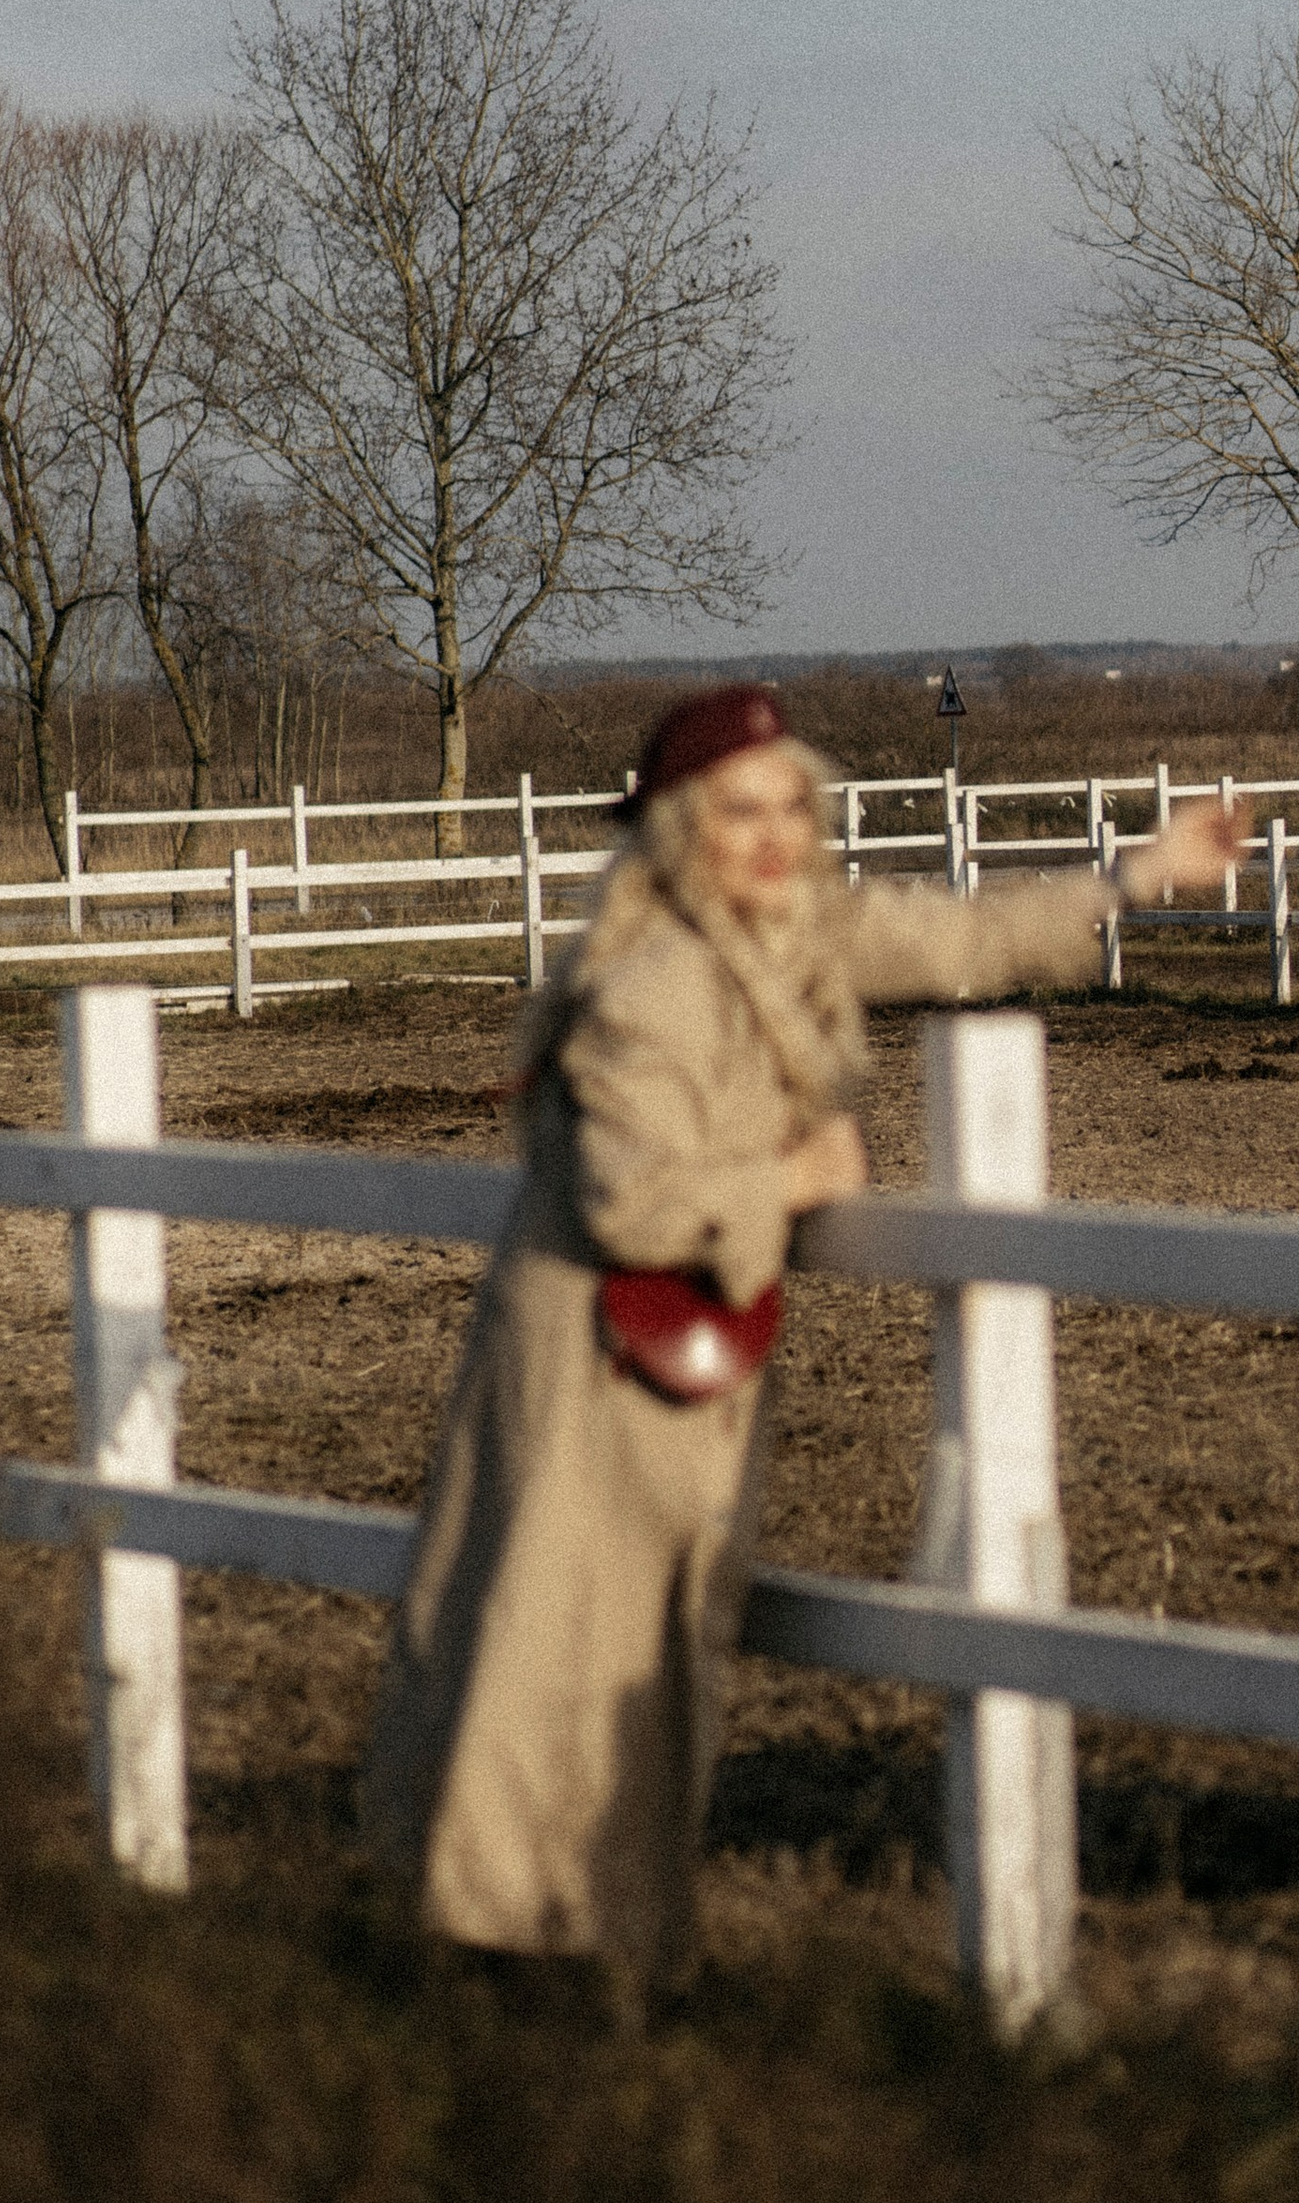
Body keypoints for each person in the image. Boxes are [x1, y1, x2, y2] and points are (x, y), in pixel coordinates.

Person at [363, 681, 1238, 1985]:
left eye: (791, 806)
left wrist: (1136, 877)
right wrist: (797, 1182)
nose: (774, 834)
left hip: (672, 1370)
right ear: (677, 833)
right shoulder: (653, 984)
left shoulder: (797, 936)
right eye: (739, 811)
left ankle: (586, 1963)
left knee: (642, 1663)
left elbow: (963, 938)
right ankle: (518, 1963)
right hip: (592, 1381)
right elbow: (638, 1202)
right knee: (558, 1655)